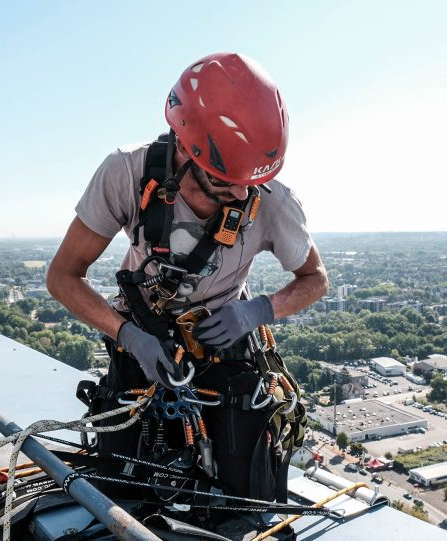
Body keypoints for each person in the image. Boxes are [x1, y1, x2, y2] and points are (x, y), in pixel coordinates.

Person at [47, 52, 328, 501]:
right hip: (140, 340)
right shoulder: (128, 174)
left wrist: (257, 311)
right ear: (183, 148)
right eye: (224, 180)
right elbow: (63, 276)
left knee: (245, 492)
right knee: (123, 483)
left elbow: (315, 278)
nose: (241, 194)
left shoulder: (272, 200)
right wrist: (128, 337)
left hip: (222, 346)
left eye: (248, 183)